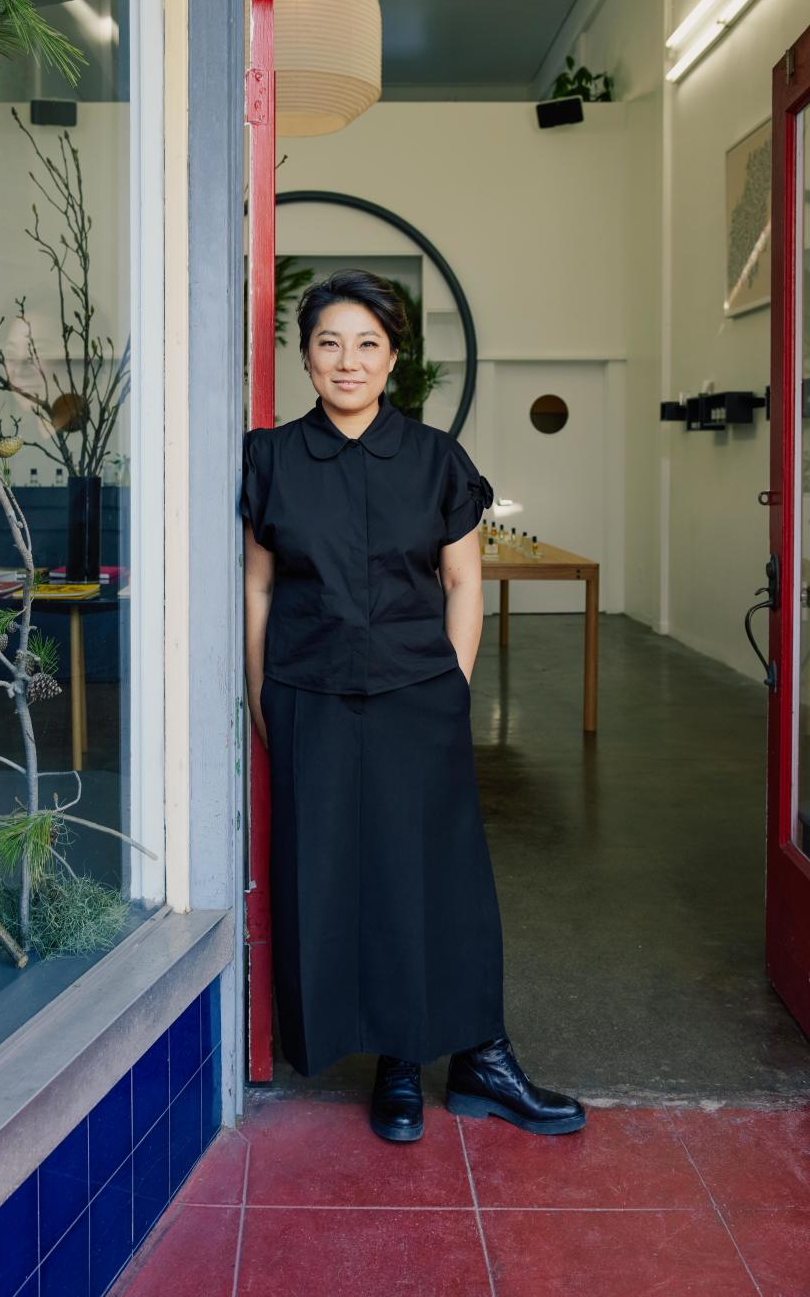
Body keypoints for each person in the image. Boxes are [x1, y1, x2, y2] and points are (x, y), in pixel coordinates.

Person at [241, 269, 585, 1144]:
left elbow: (463, 582)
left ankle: (476, 1057)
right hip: (309, 694)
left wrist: (452, 686)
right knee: (332, 873)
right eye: (328, 343)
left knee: (438, 876)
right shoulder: (271, 456)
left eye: (366, 344)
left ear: (393, 357)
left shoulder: (437, 460)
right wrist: (260, 701)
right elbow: (259, 589)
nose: (347, 362)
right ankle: (389, 1056)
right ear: (306, 358)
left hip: (415, 695)